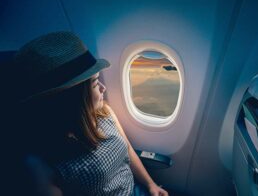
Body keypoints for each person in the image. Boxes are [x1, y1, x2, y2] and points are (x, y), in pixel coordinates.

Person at [10, 31, 168, 196]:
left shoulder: (104, 112)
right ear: (71, 98)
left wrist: (151, 185)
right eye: (94, 84)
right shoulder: (40, 164)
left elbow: (127, 148)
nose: (103, 88)